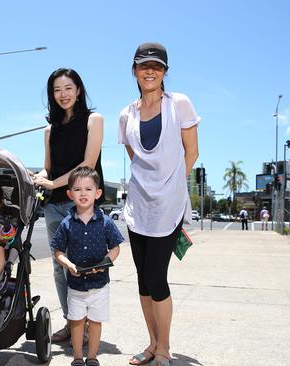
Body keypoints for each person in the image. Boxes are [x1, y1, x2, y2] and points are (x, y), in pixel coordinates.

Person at [118, 42, 199, 366]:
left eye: (157, 66)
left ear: (164, 71)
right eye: (143, 66)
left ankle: (164, 347)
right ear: (134, 71)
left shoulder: (179, 103)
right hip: (139, 204)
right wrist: (150, 182)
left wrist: (171, 184)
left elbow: (190, 152)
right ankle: (151, 343)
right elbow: (134, 157)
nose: (149, 71)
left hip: (169, 203)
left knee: (157, 277)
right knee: (142, 278)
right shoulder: (127, 113)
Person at [33, 68, 105, 343]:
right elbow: (48, 167)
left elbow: (87, 164)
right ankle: (71, 323)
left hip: (83, 205)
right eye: (57, 90)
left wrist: (53, 184)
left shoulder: (93, 120)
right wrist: (40, 176)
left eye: (68, 88)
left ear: (79, 90)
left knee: (85, 266)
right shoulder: (50, 129)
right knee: (59, 267)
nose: (63, 94)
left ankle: (89, 325)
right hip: (54, 208)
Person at [51, 167, 123, 366]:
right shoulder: (66, 223)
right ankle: (77, 357)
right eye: (78, 189)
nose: (83, 193)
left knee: (95, 321)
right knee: (76, 321)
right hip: (75, 284)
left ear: (97, 193)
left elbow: (116, 247)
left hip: (99, 283)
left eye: (88, 189)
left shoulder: (106, 222)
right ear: (70, 194)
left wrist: (106, 261)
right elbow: (57, 251)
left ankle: (92, 357)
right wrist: (68, 264)